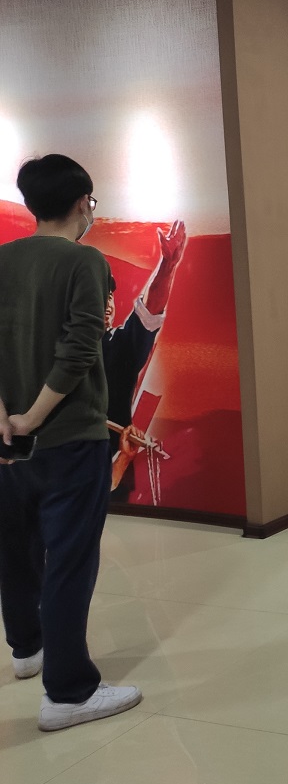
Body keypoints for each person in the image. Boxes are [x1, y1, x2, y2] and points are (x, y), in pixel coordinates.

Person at [0, 154, 143, 731]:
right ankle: (69, 692)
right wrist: (32, 417)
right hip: (69, 437)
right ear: (83, 202)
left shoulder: (4, 259)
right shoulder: (85, 261)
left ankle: (26, 648)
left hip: (9, 442)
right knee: (69, 562)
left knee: (15, 549)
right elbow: (80, 347)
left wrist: (7, 417)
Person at [105, 218, 187, 499]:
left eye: (109, 297)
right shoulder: (54, 347)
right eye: (96, 297)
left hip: (110, 473)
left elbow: (149, 313)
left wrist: (168, 265)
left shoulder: (118, 346)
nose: (106, 304)